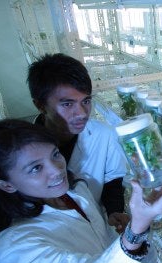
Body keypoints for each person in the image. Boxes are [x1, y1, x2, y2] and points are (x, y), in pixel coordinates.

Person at [0, 119, 162, 263]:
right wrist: (136, 230)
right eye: (36, 168)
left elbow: (99, 247)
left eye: (54, 155)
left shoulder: (70, 192)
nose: (57, 170)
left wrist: (124, 228)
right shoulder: (15, 251)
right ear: (6, 184)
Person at [27, 53, 127, 218]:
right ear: (40, 105)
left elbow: (112, 180)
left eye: (86, 101)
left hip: (96, 222)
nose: (81, 114)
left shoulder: (104, 134)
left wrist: (114, 211)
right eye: (67, 104)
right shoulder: (23, 153)